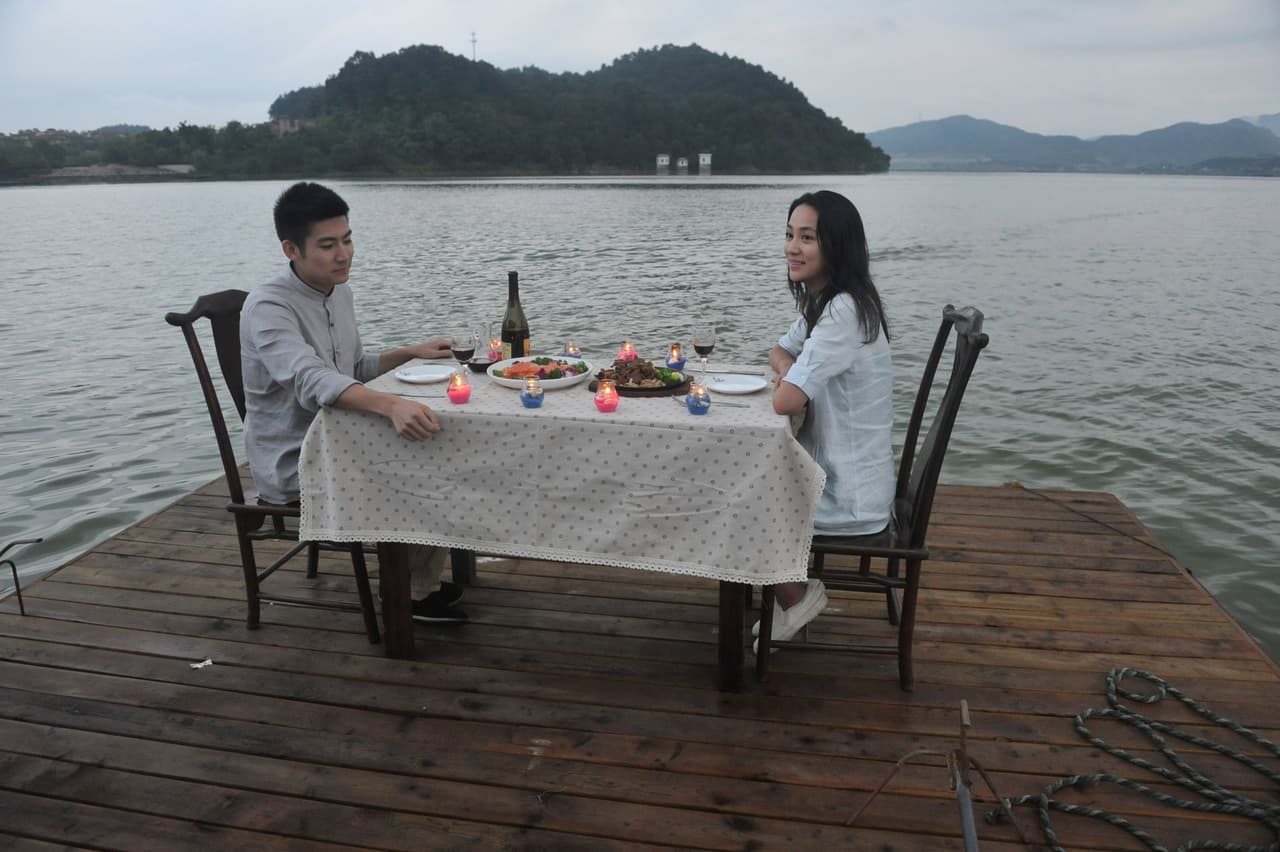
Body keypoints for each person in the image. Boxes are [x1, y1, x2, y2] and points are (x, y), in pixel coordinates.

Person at [241, 181, 467, 623]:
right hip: (295, 457)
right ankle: (408, 597)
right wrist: (390, 405)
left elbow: (350, 367)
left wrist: (411, 351)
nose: (344, 254)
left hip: (342, 436)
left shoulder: (336, 290)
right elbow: (313, 380)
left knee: (437, 441)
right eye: (327, 245)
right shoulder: (269, 307)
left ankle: (418, 577)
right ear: (291, 249)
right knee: (418, 460)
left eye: (347, 239)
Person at [757, 190, 895, 651]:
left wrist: (789, 382)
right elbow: (780, 352)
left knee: (735, 496)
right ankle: (776, 583)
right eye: (789, 235)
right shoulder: (826, 302)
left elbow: (786, 403)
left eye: (807, 237)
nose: (792, 247)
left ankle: (795, 595)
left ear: (836, 245)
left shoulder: (844, 311)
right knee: (744, 477)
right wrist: (788, 374)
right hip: (841, 473)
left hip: (847, 496)